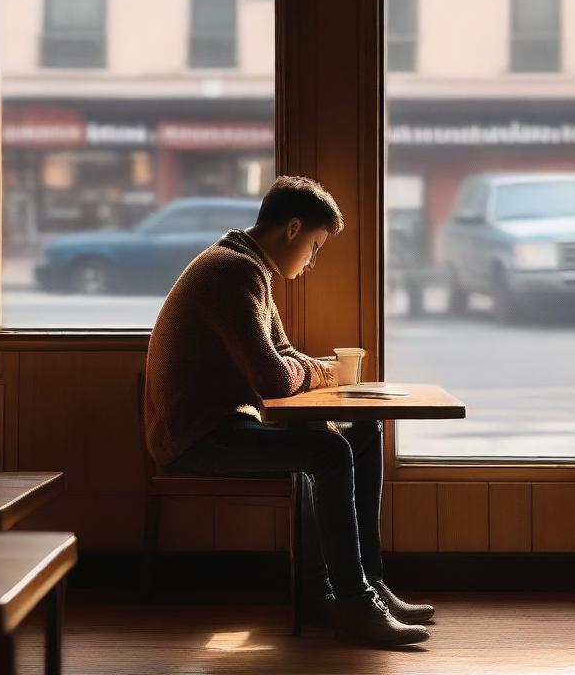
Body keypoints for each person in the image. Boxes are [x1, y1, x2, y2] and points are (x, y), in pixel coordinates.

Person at [144, 175, 433, 647]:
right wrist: (323, 373)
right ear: (293, 228)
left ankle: (362, 586)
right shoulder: (231, 273)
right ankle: (353, 603)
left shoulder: (249, 266)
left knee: (362, 428)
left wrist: (309, 369)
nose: (314, 260)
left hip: (224, 426)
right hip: (194, 439)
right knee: (328, 453)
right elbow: (275, 378)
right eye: (316, 246)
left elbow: (282, 354)